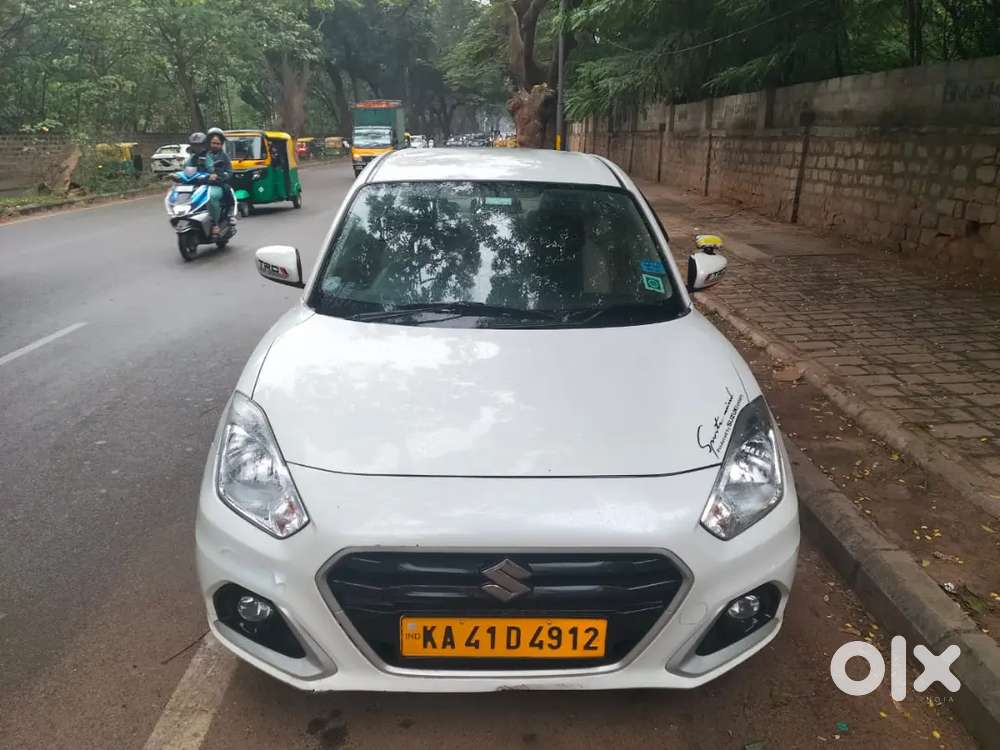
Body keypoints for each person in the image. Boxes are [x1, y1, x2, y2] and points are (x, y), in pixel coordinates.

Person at [204, 128, 233, 236]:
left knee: (212, 197)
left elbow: (229, 172)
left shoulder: (224, 156)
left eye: (218, 143)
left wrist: (220, 176)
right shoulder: (203, 155)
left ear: (221, 144)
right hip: (202, 184)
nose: (215, 145)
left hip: (217, 184)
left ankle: (215, 224)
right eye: (213, 143)